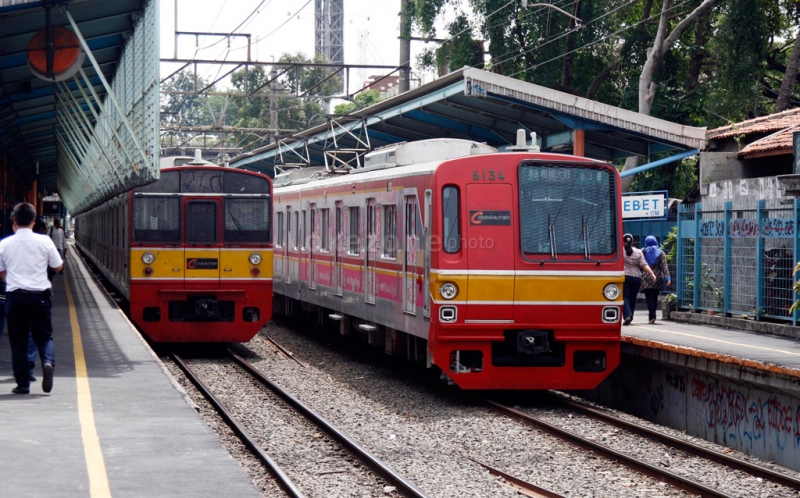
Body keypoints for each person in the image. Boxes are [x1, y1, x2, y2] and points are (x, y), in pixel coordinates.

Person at [0, 203, 63, 394]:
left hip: (15, 297)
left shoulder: (4, 243)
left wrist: (12, 279)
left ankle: (23, 383)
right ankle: (48, 363)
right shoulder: (44, 242)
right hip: (39, 298)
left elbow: (1, 272)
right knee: (44, 336)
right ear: (34, 221)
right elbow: (58, 266)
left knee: (18, 341)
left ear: (14, 221)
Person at [622, 233, 655, 326]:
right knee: (632, 298)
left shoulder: (620, 251)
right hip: (637, 278)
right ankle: (630, 316)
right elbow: (644, 265)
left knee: (625, 297)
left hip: (625, 277)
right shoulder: (638, 252)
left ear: (622, 241)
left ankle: (628, 315)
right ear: (632, 242)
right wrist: (652, 273)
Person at [640, 235, 672, 324]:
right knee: (654, 297)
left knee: (649, 297)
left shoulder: (642, 251)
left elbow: (638, 263)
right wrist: (667, 278)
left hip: (646, 276)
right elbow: (664, 266)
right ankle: (653, 315)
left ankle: (652, 316)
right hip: (657, 277)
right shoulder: (660, 253)